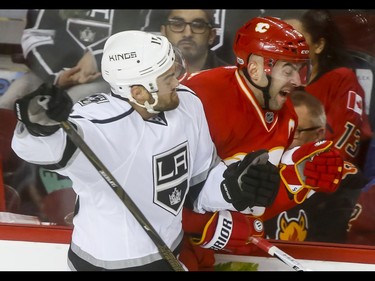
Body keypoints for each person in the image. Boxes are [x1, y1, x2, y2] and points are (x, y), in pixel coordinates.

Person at [10, 30, 282, 271]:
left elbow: (198, 184)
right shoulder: (101, 124)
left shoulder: (187, 104)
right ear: (139, 92)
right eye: (167, 78)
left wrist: (231, 188)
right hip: (106, 265)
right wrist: (38, 125)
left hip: (170, 252)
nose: (177, 82)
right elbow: (44, 148)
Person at [180, 16, 344, 270]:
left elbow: (250, 203)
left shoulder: (287, 115)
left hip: (211, 255)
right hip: (167, 247)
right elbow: (149, 186)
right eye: (287, 69)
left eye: (301, 69)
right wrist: (199, 225)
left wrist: (296, 180)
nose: (299, 81)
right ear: (255, 69)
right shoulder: (197, 98)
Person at [263, 89, 365, 243]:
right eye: (278, 129)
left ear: (318, 135)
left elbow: (330, 250)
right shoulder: (259, 170)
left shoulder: (342, 178)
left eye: (294, 131)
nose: (282, 139)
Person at [0, 9, 142, 109]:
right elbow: (36, 36)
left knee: (70, 106)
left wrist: (97, 57)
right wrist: (56, 76)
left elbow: (145, 37)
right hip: (51, 72)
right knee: (9, 101)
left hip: (106, 77)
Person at [285, 9, 373, 167]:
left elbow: (343, 145)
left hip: (322, 176)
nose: (287, 47)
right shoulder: (277, 80)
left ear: (318, 45)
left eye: (298, 41)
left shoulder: (342, 79)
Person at [159, 9, 229, 74]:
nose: (188, 34)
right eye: (177, 24)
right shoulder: (149, 71)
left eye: (198, 26)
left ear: (211, 35)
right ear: (163, 32)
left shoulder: (231, 77)